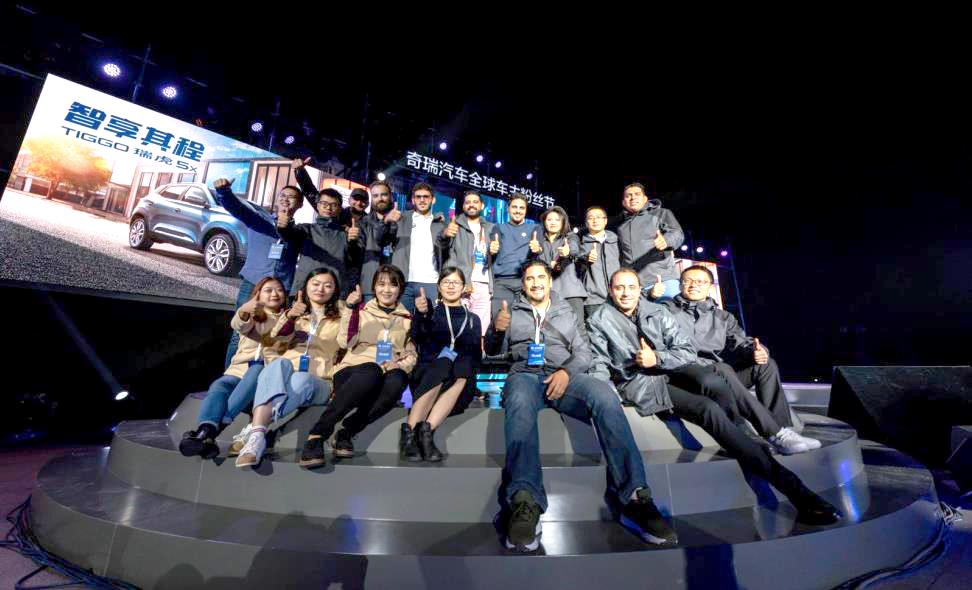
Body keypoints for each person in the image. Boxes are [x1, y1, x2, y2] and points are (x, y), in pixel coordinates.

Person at [587, 268, 841, 525]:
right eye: (619, 288)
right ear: (610, 290)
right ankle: (799, 493)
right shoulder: (599, 319)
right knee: (708, 409)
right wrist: (608, 390)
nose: (626, 293)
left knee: (716, 379)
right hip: (644, 382)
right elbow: (599, 362)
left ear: (638, 288)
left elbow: (685, 351)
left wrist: (658, 358)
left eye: (631, 287)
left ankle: (755, 437)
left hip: (671, 368)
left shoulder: (657, 312)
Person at [485, 260, 676, 551]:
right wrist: (497, 332)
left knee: (605, 396)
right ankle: (525, 499)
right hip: (526, 374)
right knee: (519, 400)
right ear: (523, 284)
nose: (535, 283)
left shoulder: (566, 310)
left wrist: (566, 372)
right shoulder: (510, 310)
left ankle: (634, 496)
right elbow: (492, 351)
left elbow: (584, 353)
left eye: (540, 277)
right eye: (529, 279)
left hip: (565, 375)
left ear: (550, 281)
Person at [664, 264, 809, 434]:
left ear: (710, 286)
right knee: (721, 368)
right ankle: (771, 432)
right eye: (687, 281)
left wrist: (756, 351)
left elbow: (740, 342)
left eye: (700, 282)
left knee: (766, 365)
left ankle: (783, 429)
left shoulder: (723, 317)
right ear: (680, 285)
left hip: (720, 377)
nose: (693, 285)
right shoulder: (666, 311)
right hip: (687, 376)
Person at [299, 264, 417, 467]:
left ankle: (347, 432)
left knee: (398, 380)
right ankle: (318, 433)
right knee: (371, 371)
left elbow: (411, 353)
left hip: (387, 372)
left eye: (393, 285)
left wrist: (399, 365)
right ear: (374, 287)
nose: (386, 290)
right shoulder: (360, 311)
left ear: (400, 289)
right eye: (381, 284)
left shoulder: (407, 319)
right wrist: (351, 309)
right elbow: (345, 342)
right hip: (354, 371)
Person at [234, 269, 351, 468]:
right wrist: (289, 317)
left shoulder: (342, 315)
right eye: (315, 284)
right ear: (306, 286)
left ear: (335, 290)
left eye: (327, 285)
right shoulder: (294, 312)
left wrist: (349, 309)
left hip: (320, 380)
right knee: (279, 364)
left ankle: (255, 427)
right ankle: (258, 438)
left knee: (302, 379)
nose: (320, 289)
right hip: (288, 372)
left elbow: (347, 343)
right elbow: (275, 340)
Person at [179, 276, 289, 458]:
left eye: (279, 290)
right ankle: (206, 432)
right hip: (240, 368)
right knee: (219, 385)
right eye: (268, 290)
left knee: (257, 369)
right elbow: (238, 325)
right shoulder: (251, 314)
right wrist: (244, 311)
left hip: (266, 371)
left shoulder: (288, 318)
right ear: (258, 295)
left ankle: (212, 431)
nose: (275, 294)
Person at [212, 176, 303, 367]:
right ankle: (231, 374)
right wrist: (224, 191)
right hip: (253, 284)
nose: (286, 199)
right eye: (283, 195)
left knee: (273, 334)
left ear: (300, 204)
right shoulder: (259, 219)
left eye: (292, 197)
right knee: (240, 333)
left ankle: (258, 376)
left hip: (281, 290)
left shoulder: (300, 232)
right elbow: (236, 207)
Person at [402, 267, 482, 462]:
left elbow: (476, 356)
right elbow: (418, 338)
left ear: (464, 287)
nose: (451, 286)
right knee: (444, 362)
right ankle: (411, 434)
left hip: (459, 381)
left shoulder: (473, 319)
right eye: (446, 282)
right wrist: (421, 315)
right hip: (430, 375)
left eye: (456, 282)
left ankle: (424, 432)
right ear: (439, 287)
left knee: (465, 361)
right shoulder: (430, 313)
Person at [277, 183, 363, 299]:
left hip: (334, 292)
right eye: (324, 204)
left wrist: (353, 242)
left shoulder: (346, 234)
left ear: (339, 209)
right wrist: (284, 226)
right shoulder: (306, 229)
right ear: (317, 205)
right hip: (304, 291)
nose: (328, 208)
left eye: (334, 205)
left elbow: (354, 261)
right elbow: (288, 235)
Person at [615, 182, 685, 300]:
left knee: (671, 311)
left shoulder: (661, 213)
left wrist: (666, 240)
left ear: (645, 199)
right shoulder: (620, 225)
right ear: (623, 202)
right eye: (628, 196)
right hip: (635, 285)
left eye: (637, 194)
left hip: (663, 279)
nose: (633, 198)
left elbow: (677, 233)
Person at [441, 190, 494, 335]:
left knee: (481, 328)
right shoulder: (455, 225)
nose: (471, 205)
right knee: (458, 327)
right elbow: (443, 249)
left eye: (475, 202)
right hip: (463, 284)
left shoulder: (490, 228)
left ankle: (479, 348)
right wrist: (445, 234)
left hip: (485, 284)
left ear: (482, 205)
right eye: (467, 202)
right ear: (463, 206)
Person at [388, 183, 447, 314]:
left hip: (431, 281)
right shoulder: (401, 219)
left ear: (433, 200)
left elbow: (444, 250)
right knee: (402, 321)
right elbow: (386, 239)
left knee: (430, 321)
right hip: (404, 281)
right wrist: (388, 222)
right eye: (418, 197)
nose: (422, 200)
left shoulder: (440, 224)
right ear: (413, 200)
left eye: (426, 197)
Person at [531, 206, 587, 339]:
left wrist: (568, 252)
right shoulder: (539, 242)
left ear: (563, 222)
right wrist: (536, 253)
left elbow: (574, 249)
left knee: (578, 331)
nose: (553, 222)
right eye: (549, 219)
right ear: (544, 221)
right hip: (549, 294)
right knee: (553, 333)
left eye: (557, 220)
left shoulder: (570, 237)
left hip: (571, 293)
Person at [489, 193, 537, 319]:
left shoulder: (534, 228)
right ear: (508, 208)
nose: (518, 211)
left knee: (525, 323)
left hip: (524, 283)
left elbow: (539, 247)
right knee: (500, 321)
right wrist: (492, 250)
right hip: (501, 283)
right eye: (514, 207)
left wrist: (538, 248)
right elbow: (492, 248)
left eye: (522, 208)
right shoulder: (498, 228)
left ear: (526, 210)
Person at [578, 205, 620, 319]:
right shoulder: (580, 243)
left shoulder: (617, 240)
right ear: (586, 223)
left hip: (618, 297)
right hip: (593, 299)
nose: (595, 220)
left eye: (598, 217)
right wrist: (585, 258)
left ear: (605, 221)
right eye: (591, 218)